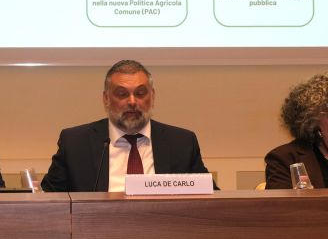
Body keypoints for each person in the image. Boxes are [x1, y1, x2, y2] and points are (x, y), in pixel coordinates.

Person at [40, 60, 212, 192]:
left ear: (152, 96)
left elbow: (211, 198)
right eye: (122, 94)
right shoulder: (75, 143)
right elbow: (49, 199)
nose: (132, 102)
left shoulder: (181, 143)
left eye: (140, 93)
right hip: (97, 227)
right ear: (106, 99)